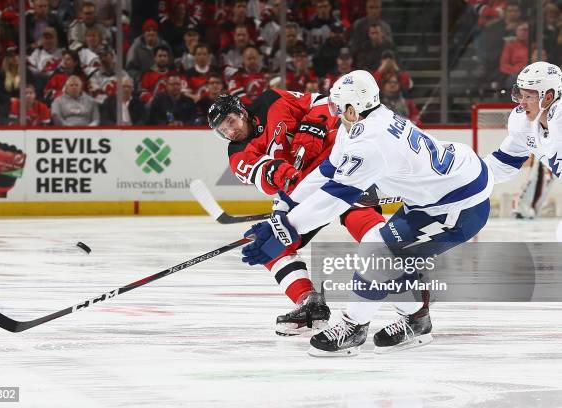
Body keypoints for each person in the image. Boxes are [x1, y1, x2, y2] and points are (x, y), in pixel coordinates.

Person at [240, 70, 492, 355]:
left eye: (336, 106)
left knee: (378, 251)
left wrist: (285, 230)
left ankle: (354, 327)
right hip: (439, 193)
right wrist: (287, 205)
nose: (332, 112)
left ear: (351, 108)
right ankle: (416, 319)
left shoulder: (370, 143)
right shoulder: (362, 122)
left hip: (458, 205)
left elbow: (335, 198)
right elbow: (327, 171)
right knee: (389, 252)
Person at [207, 90, 386, 335]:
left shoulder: (272, 99)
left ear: (242, 112)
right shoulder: (237, 153)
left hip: (341, 167)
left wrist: (316, 123)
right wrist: (281, 173)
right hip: (301, 189)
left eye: (230, 122)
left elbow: (325, 101)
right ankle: (310, 304)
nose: (229, 132)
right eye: (222, 131)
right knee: (269, 244)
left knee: (369, 230)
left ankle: (411, 298)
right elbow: (262, 174)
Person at [484, 62, 562, 216]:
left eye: (528, 96)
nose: (522, 102)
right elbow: (501, 164)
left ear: (548, 97)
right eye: (520, 95)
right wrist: (466, 177)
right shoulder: (523, 123)